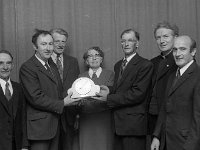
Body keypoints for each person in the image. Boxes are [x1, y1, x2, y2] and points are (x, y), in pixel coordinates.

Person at [96, 29, 153, 150]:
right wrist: (110, 90)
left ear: (137, 43)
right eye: (123, 41)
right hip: (118, 124)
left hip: (133, 125)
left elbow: (138, 94)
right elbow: (121, 88)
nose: (126, 44)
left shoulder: (145, 65)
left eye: (130, 40)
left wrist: (109, 98)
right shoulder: (118, 65)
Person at [19, 29, 76, 150]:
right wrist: (63, 103)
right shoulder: (27, 68)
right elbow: (35, 98)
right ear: (35, 46)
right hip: (40, 129)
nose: (48, 48)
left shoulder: (52, 65)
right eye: (43, 44)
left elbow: (58, 92)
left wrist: (77, 95)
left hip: (56, 125)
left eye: (50, 44)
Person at [151, 35, 200, 150]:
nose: (177, 54)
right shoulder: (172, 75)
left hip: (186, 144)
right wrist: (157, 136)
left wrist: (190, 147)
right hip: (166, 141)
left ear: (193, 52)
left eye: (183, 49)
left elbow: (198, 118)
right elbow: (164, 107)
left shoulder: (198, 76)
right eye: (175, 49)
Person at [78, 46, 114, 150]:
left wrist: (88, 98)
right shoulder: (81, 76)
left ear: (101, 59)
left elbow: (107, 96)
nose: (94, 58)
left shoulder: (110, 74)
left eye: (97, 55)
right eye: (90, 56)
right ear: (86, 61)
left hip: (104, 119)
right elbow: (79, 99)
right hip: (86, 119)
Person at [50, 28, 80, 150]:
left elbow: (77, 88)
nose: (61, 44)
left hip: (69, 116)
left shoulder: (73, 61)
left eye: (63, 41)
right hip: (50, 115)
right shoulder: (44, 61)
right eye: (57, 41)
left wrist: (77, 114)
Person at [148, 22, 178, 136]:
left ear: (175, 38)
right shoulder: (152, 63)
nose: (162, 41)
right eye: (158, 37)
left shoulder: (180, 61)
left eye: (166, 36)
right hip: (153, 118)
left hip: (171, 119)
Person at [0, 50, 28, 150]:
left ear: (12, 66)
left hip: (17, 145)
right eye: (1, 63)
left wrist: (24, 146)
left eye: (8, 63)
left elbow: (23, 118)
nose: (5, 67)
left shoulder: (19, 88)